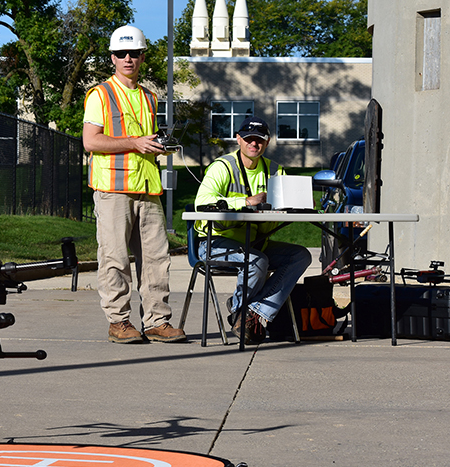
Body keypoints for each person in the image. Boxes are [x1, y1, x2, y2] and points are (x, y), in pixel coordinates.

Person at [82, 25, 186, 344]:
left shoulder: (149, 97)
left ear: (142, 57)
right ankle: (119, 322)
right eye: (122, 54)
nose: (128, 58)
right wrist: (134, 143)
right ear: (112, 58)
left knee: (156, 259)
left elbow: (144, 140)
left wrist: (156, 145)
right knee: (115, 257)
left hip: (147, 188)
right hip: (113, 189)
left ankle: (157, 321)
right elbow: (91, 141)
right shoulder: (100, 94)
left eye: (135, 53)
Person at [194, 116, 311, 344]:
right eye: (248, 139)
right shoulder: (222, 167)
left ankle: (252, 311)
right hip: (214, 243)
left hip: (256, 243)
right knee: (257, 261)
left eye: (259, 140)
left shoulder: (275, 170)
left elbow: (292, 201)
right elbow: (202, 203)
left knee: (300, 256)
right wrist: (246, 201)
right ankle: (243, 315)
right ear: (238, 139)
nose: (254, 144)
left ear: (267, 143)